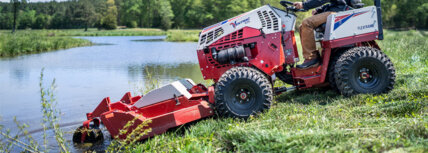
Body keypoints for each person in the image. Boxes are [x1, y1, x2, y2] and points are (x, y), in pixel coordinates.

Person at [293, 0, 349, 69]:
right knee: (302, 27)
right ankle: (313, 56)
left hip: (338, 11)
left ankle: (311, 58)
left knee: (307, 23)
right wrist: (319, 10)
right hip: (335, 9)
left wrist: (304, 5)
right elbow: (334, 3)